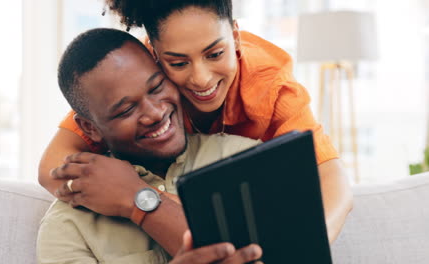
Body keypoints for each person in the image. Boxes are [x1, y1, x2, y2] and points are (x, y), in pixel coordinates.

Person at [38, 0, 352, 244]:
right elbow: (52, 166)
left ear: (236, 36)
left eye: (215, 53)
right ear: (155, 55)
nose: (200, 79)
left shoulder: (272, 88)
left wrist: (300, 250)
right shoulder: (140, 79)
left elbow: (335, 185)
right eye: (177, 62)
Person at [37, 27, 263, 264]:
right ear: (89, 128)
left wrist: (137, 197)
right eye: (126, 110)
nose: (155, 113)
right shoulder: (68, 225)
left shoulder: (248, 158)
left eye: (156, 87)